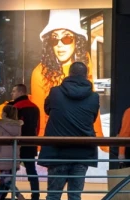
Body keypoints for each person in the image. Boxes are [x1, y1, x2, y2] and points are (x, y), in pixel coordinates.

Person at [38, 61, 99, 200]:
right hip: (82, 154)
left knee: (53, 196)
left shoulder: (56, 92)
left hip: (58, 152)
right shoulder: (94, 97)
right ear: (86, 75)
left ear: (69, 73)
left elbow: (48, 110)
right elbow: (92, 118)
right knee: (75, 197)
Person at [27, 11, 102, 139]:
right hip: (57, 139)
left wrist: (101, 143)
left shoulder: (85, 60)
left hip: (78, 141)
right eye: (54, 38)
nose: (60, 45)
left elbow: (93, 115)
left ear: (76, 40)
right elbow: (40, 122)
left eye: (67, 38)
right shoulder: (39, 73)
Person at [6, 84, 41, 200]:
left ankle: (0, 199)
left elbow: (10, 128)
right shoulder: (35, 108)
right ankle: (35, 198)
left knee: (8, 173)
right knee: (31, 170)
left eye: (14, 91)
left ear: (20, 92)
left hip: (17, 145)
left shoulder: (15, 107)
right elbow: (37, 127)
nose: (12, 93)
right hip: (30, 143)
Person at [0, 105, 25, 200]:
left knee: (7, 181)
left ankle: (22, 199)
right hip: (13, 157)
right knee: (3, 182)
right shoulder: (18, 127)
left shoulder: (1, 127)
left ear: (4, 114)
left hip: (2, 158)